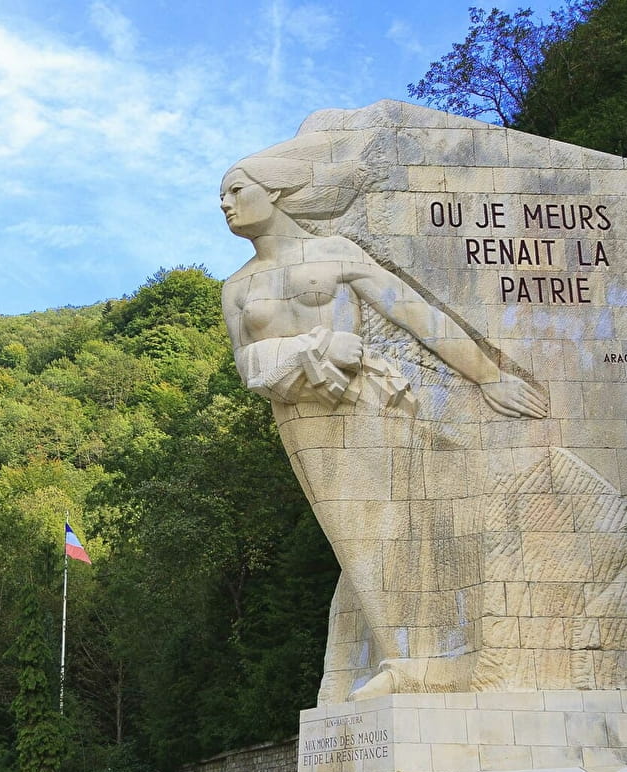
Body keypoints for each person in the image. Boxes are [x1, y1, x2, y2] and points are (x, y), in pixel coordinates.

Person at [220, 146, 548, 699]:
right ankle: (404, 658)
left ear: (273, 191)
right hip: (301, 418)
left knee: (395, 525)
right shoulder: (237, 287)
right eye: (220, 197)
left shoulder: (336, 250)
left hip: (365, 403)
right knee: (353, 535)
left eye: (235, 190)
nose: (225, 204)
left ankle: (413, 661)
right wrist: (319, 346)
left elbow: (416, 314)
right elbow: (246, 366)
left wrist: (489, 376)